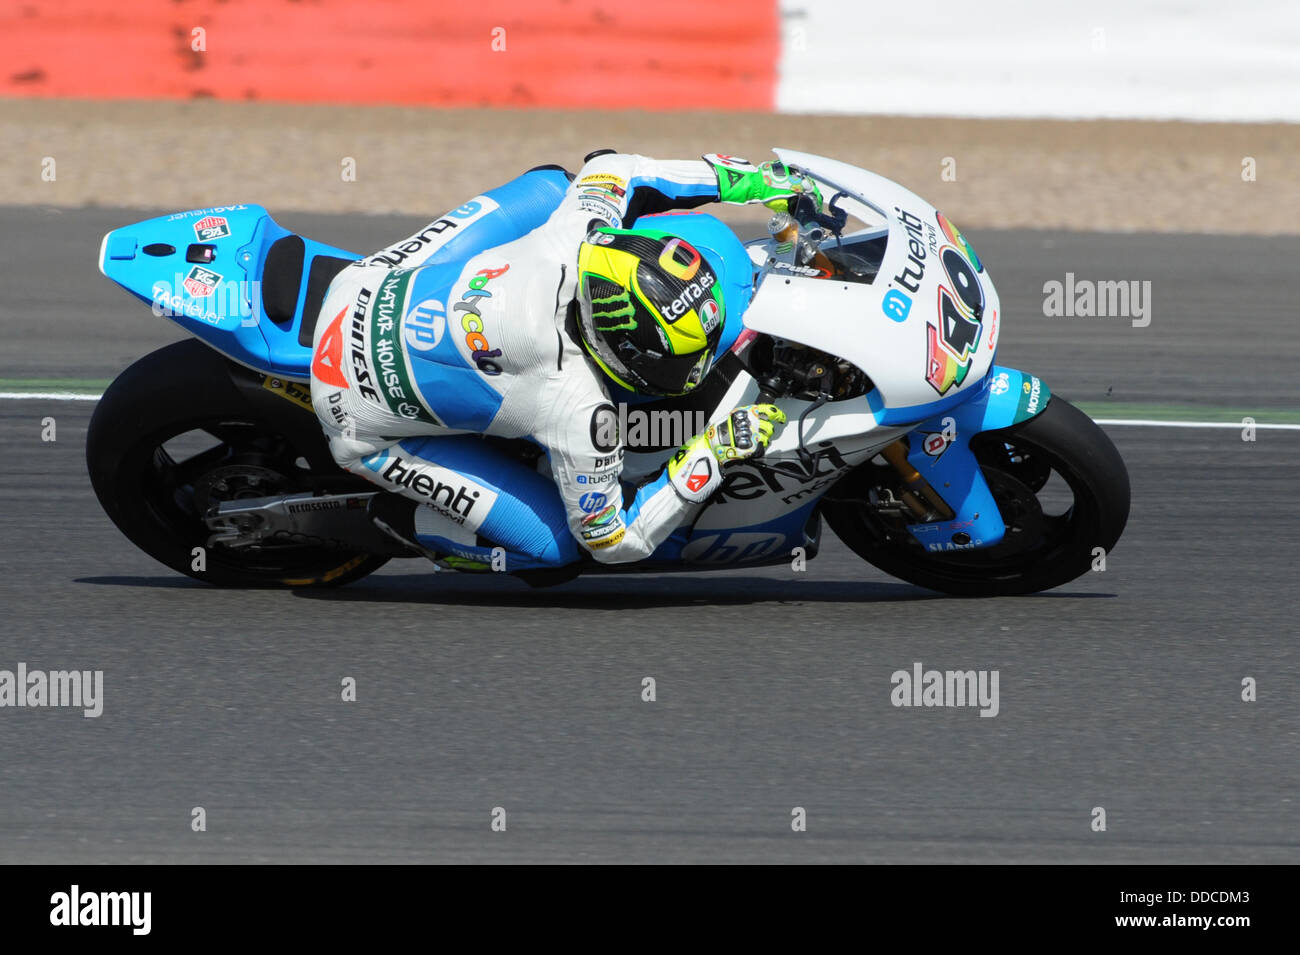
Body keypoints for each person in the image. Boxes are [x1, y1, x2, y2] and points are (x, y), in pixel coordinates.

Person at [309, 151, 822, 571]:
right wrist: (711, 452)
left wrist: (747, 181)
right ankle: (395, 519)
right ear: (619, 349)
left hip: (364, 284)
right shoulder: (578, 410)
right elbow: (615, 541)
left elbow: (617, 167)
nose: (689, 373)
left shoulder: (575, 235)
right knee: (559, 548)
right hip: (355, 415)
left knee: (557, 183)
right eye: (673, 362)